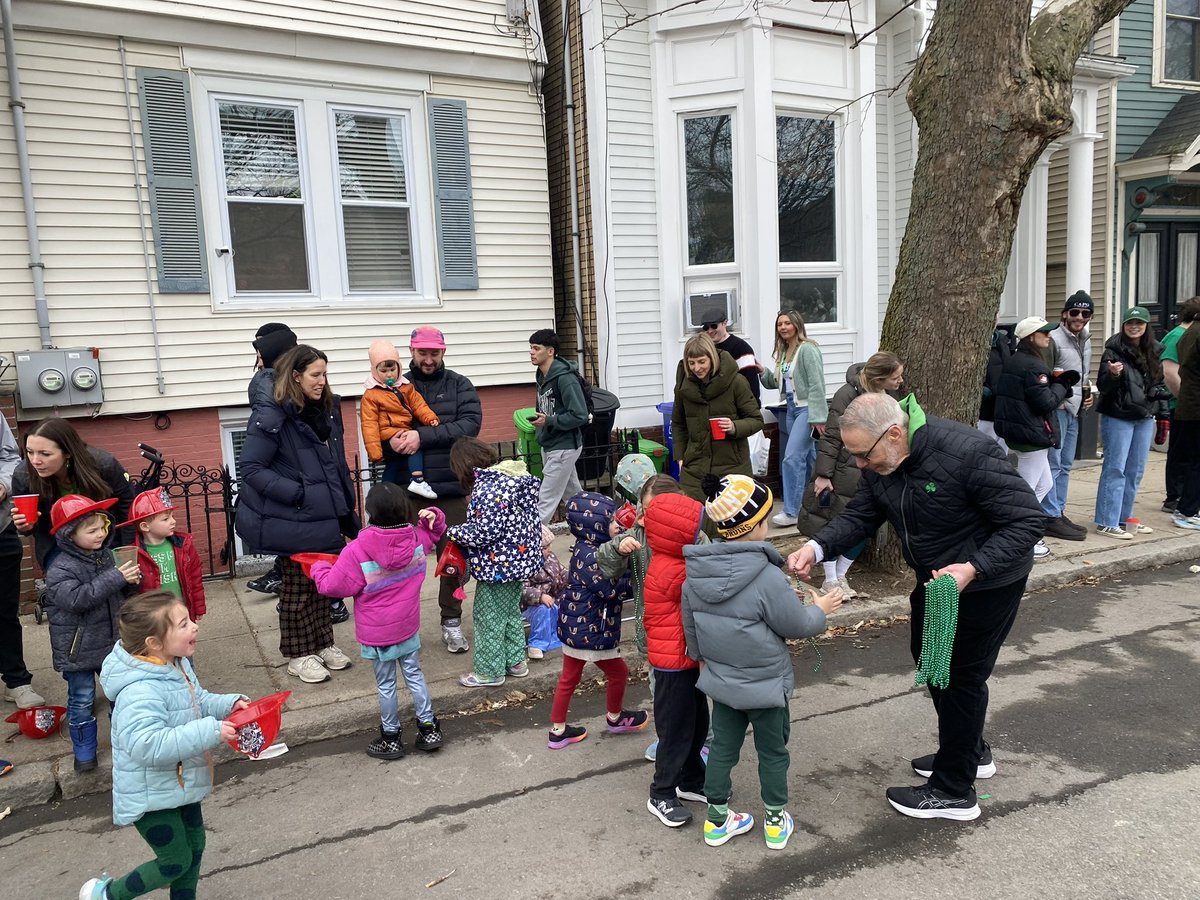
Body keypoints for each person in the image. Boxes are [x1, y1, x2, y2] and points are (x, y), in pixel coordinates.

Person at [786, 392, 1044, 821]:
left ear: (893, 434)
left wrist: (973, 568)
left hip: (986, 581)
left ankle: (953, 791)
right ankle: (968, 750)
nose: (860, 465)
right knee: (932, 663)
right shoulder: (883, 462)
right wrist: (817, 547)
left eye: (863, 455)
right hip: (938, 580)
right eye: (853, 456)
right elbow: (862, 515)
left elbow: (1028, 520)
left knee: (960, 677)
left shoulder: (967, 452)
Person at [684, 473, 842, 849]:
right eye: (766, 518)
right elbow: (796, 625)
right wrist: (820, 609)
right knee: (772, 752)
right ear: (754, 526)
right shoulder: (767, 577)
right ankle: (774, 821)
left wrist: (701, 660)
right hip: (767, 686)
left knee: (722, 749)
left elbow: (692, 628)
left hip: (723, 684)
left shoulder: (696, 575)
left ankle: (717, 820)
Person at [82, 591, 248, 900]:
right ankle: (108, 895)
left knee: (195, 847)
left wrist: (229, 705)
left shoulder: (175, 664)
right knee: (175, 860)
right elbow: (147, 744)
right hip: (151, 796)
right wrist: (210, 731)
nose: (195, 626)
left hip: (180, 783)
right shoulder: (140, 691)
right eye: (183, 624)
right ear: (154, 643)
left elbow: (198, 701)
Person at [235, 344, 359, 685]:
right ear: (295, 376)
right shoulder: (273, 414)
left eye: (325, 374)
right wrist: (297, 494)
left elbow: (333, 463)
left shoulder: (325, 410)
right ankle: (298, 655)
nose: (322, 381)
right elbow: (252, 468)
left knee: (322, 587)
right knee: (297, 591)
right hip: (293, 519)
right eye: (315, 375)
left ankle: (322, 644)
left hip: (324, 515)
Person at [310, 482, 447, 759]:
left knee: (386, 685)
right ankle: (428, 728)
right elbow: (434, 532)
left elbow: (333, 586)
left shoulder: (357, 550)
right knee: (414, 675)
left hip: (377, 632)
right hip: (407, 625)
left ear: (370, 512)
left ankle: (391, 737)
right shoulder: (415, 539)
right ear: (406, 508)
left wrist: (319, 568)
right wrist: (435, 515)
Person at [392, 326, 483, 654]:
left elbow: (470, 425)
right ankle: (401, 626)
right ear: (411, 352)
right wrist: (391, 441)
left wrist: (422, 436)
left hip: (450, 487)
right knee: (401, 564)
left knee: (453, 559)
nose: (428, 359)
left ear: (443, 352)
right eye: (422, 353)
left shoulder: (459, 385)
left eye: (434, 353)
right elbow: (382, 425)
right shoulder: (397, 387)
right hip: (408, 491)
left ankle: (451, 621)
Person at [598, 471, 691, 761]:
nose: (648, 516)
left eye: (655, 510)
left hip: (688, 632)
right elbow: (606, 564)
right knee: (659, 691)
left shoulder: (692, 534)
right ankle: (667, 740)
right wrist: (617, 548)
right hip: (654, 634)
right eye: (645, 509)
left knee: (694, 694)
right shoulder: (638, 534)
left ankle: (704, 741)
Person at [44, 494, 141, 772]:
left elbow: (118, 593)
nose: (100, 534)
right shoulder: (60, 567)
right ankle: (84, 749)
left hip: (111, 643)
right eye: (92, 530)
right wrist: (117, 577)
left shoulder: (107, 557)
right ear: (69, 534)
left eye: (102, 528)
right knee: (82, 697)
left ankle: (124, 742)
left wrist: (131, 581)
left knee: (119, 694)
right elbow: (77, 599)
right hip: (78, 649)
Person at [797, 351, 905, 597]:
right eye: (896, 377)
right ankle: (830, 580)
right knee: (836, 522)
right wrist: (824, 474)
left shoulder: (893, 397)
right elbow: (832, 436)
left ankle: (841, 575)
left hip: (876, 470)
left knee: (866, 526)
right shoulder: (847, 394)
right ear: (879, 378)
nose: (900, 381)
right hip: (845, 470)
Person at [546, 492, 648, 749]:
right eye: (611, 521)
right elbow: (610, 590)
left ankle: (558, 729)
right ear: (595, 526)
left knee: (569, 677)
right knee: (618, 672)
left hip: (575, 626)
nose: (617, 525)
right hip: (592, 629)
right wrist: (639, 580)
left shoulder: (586, 547)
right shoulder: (593, 556)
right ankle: (614, 717)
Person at [446, 437, 543, 687]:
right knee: (510, 613)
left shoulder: (487, 488)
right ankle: (516, 662)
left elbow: (484, 532)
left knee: (488, 618)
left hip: (497, 566)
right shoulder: (510, 481)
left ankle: (489, 672)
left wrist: (452, 532)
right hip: (518, 563)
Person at [642, 490, 709, 828]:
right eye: (695, 529)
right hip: (672, 665)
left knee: (697, 724)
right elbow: (707, 588)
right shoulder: (671, 569)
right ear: (677, 534)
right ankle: (662, 792)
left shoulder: (679, 561)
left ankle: (691, 779)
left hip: (687, 661)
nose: (700, 533)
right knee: (677, 731)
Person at [993, 316, 1077, 561]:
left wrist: (1054, 382)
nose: (1049, 337)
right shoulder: (1033, 365)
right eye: (1044, 333)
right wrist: (1062, 384)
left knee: (1044, 485)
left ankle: (1022, 531)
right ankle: (1020, 539)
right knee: (1027, 490)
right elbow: (1045, 402)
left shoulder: (1015, 359)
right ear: (1031, 337)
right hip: (1031, 435)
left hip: (1019, 431)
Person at [11, 417, 135, 571]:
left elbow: (128, 505)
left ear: (68, 452)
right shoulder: (23, 475)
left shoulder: (103, 465)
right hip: (57, 545)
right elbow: (30, 527)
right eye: (30, 452)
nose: (35, 461)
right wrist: (26, 527)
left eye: (45, 454)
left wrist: (127, 547)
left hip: (104, 537)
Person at [1093, 306, 1166, 539]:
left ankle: (1124, 518)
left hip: (1144, 417)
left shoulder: (1154, 350)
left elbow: (1159, 385)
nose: (1134, 327)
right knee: (1115, 468)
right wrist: (1113, 374)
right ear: (1124, 325)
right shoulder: (1113, 351)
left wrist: (1162, 414)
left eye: (1139, 323)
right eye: (1130, 323)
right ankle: (1107, 521)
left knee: (1135, 470)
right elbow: (1103, 387)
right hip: (1118, 416)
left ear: (1146, 326)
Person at [671, 332, 764, 510]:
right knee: (696, 519)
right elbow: (678, 423)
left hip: (733, 467)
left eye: (701, 361)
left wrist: (734, 427)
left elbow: (756, 419)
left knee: (732, 519)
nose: (697, 368)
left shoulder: (736, 382)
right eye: (691, 363)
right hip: (695, 469)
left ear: (712, 358)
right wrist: (680, 457)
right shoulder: (683, 387)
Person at [760, 310, 826, 527]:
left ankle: (792, 511)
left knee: (792, 458)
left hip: (807, 410)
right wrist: (761, 371)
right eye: (780, 324)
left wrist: (818, 416)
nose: (783, 327)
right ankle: (821, 503)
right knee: (810, 460)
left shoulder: (807, 349)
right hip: (790, 409)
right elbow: (776, 382)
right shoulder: (783, 351)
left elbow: (816, 384)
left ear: (797, 325)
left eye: (787, 323)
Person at [245, 322, 297, 597]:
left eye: (260, 349)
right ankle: (281, 574)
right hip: (285, 467)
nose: (257, 357)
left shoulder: (270, 381)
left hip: (290, 466)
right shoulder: (271, 380)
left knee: (298, 534)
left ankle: (331, 600)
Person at [360, 339, 441, 499]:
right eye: (384, 371)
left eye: (392, 369)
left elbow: (418, 405)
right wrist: (375, 452)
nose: (389, 374)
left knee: (394, 462)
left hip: (402, 427)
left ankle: (385, 489)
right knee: (414, 447)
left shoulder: (406, 387)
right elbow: (369, 424)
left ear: (399, 368)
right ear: (375, 372)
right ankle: (417, 480)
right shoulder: (371, 394)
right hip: (387, 432)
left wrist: (430, 418)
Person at [0, 413, 44, 709]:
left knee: (5, 611)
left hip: (0, 529)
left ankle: (16, 681)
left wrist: (4, 484)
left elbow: (9, 458)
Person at [1043, 292, 1094, 540]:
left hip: (1075, 409)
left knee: (1065, 464)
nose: (1080, 317)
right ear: (1065, 314)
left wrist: (1088, 392)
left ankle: (1058, 510)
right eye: (1075, 312)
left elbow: (1082, 375)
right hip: (1058, 409)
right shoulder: (1053, 338)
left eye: (1086, 313)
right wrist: (1058, 399)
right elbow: (1045, 375)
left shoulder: (1086, 339)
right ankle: (1049, 515)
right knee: (1053, 464)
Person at [529, 329, 589, 524]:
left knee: (546, 499)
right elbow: (545, 410)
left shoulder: (565, 378)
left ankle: (531, 540)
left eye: (536, 348)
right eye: (531, 348)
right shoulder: (542, 376)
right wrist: (542, 424)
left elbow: (580, 415)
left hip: (564, 446)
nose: (532, 352)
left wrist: (549, 421)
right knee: (574, 497)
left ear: (550, 351)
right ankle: (593, 531)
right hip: (550, 443)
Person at [121, 489, 206, 622]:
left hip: (181, 609)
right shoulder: (134, 554)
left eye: (172, 516)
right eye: (166, 519)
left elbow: (195, 578)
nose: (173, 521)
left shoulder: (183, 546)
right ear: (145, 526)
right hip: (154, 617)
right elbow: (132, 592)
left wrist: (198, 607)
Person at [1159, 296, 1199, 514]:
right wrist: (1185, 398)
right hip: (1182, 404)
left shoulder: (1189, 333)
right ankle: (1175, 497)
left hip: (1187, 404)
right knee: (1182, 454)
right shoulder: (1179, 335)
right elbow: (1169, 371)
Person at [1169, 307, 1200, 530]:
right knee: (1196, 462)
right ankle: (1187, 511)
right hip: (1196, 407)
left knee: (1191, 460)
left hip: (1189, 405)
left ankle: (1187, 508)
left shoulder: (1190, 331)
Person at [520, 525, 566, 660]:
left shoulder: (550, 557)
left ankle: (564, 632)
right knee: (543, 609)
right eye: (545, 548)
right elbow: (521, 589)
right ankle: (537, 643)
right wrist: (540, 596)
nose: (549, 550)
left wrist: (573, 577)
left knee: (571, 597)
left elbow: (562, 572)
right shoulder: (524, 565)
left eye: (549, 545)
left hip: (553, 596)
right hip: (530, 605)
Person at [699, 308, 761, 403]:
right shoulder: (704, 348)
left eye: (714, 326)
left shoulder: (741, 348)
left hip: (737, 404)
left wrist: (753, 407)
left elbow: (751, 383)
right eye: (706, 327)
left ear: (725, 323)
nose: (710, 331)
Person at [976, 319, 1017, 453]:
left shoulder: (1002, 340)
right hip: (985, 412)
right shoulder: (974, 340)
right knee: (983, 452)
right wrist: (983, 391)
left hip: (1003, 410)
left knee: (1001, 454)